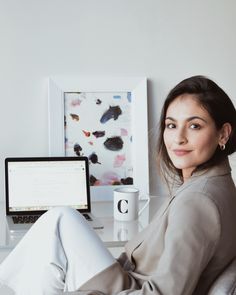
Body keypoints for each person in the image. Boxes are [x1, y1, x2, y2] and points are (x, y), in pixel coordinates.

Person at [0, 75, 236, 295]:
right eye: (171, 125)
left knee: (59, 223)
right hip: (126, 278)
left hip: (129, 288)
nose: (178, 138)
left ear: (223, 134)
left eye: (194, 126)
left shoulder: (198, 200)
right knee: (59, 223)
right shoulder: (211, 185)